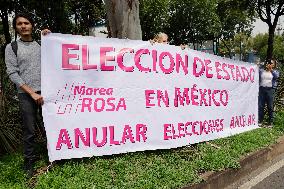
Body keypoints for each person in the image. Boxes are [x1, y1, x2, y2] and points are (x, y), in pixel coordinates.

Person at [4, 12, 50, 178]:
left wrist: (49, 37)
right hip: (25, 94)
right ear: (16, 28)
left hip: (46, 92)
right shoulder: (12, 47)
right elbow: (13, 73)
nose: (23, 26)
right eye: (19, 24)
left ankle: (53, 156)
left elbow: (55, 57)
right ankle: (29, 163)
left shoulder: (41, 44)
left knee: (50, 127)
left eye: (26, 23)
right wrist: (31, 93)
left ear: (32, 25)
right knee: (29, 130)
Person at [258, 59, 280, 128]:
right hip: (262, 89)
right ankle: (260, 121)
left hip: (270, 90)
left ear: (274, 65)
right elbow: (255, 71)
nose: (269, 64)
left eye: (271, 63)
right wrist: (257, 65)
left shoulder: (275, 71)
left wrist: (271, 70)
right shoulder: (262, 71)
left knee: (270, 106)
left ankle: (270, 122)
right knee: (261, 106)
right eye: (268, 62)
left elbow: (276, 76)